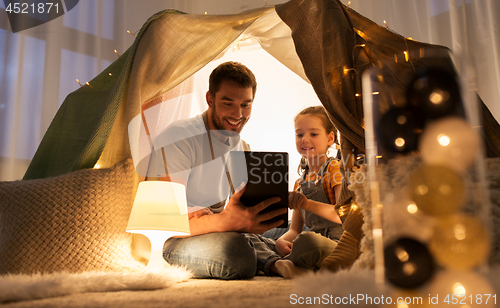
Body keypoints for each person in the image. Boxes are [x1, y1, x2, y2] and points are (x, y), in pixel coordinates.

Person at [153, 61, 287, 279]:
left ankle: (274, 253)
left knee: (292, 230)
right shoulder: (180, 137)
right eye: (228, 103)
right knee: (235, 252)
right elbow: (166, 220)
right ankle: (272, 258)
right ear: (210, 99)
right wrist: (224, 221)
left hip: (220, 229)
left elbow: (237, 212)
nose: (238, 114)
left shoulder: (242, 147)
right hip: (176, 239)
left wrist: (267, 208)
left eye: (246, 105)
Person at [273, 106, 344, 278]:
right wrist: (281, 242)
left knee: (308, 241)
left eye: (313, 134)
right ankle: (296, 263)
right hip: (310, 239)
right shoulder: (300, 182)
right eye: (299, 134)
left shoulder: (334, 168)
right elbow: (294, 231)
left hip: (338, 244)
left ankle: (291, 264)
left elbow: (343, 215)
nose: (304, 139)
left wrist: (307, 204)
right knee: (268, 239)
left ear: (330, 138)